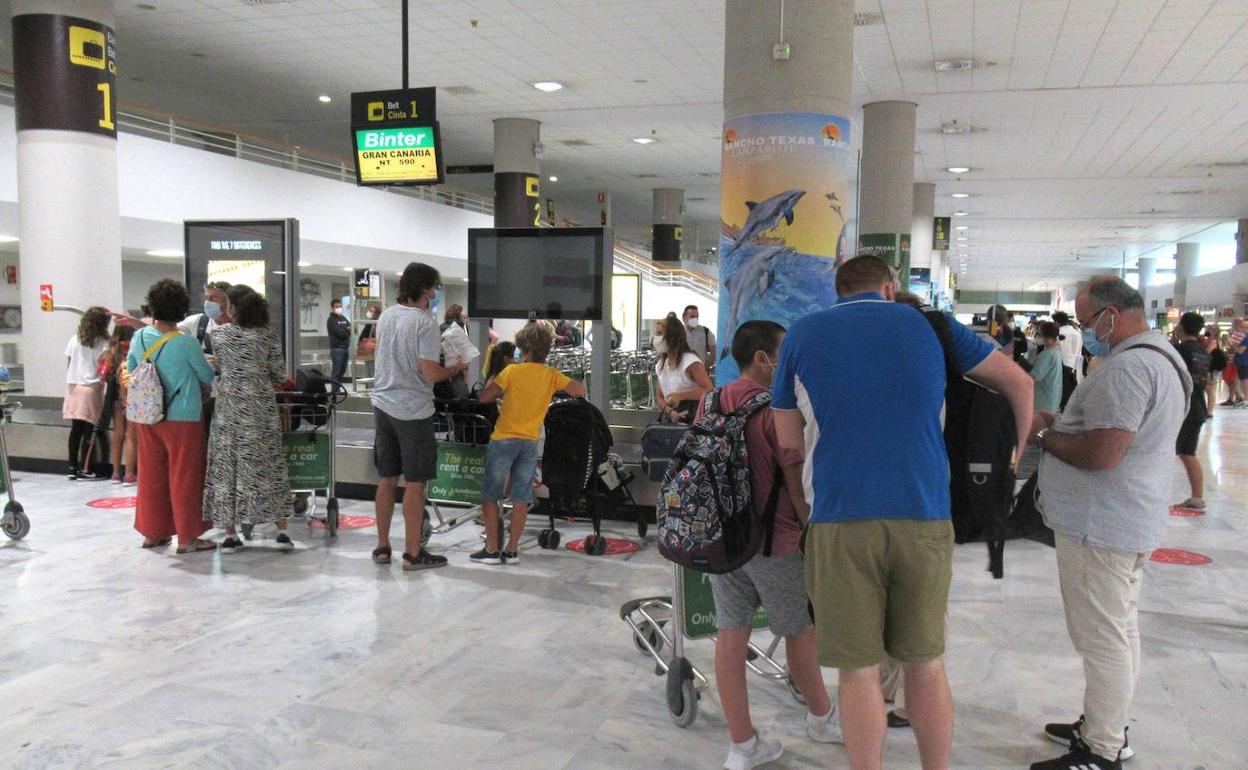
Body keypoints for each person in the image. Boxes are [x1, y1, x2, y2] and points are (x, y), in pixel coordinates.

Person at [772, 255, 1033, 770]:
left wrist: (805, 513)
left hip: (840, 519)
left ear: (838, 291)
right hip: (925, 515)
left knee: (858, 672)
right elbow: (1020, 385)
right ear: (890, 287)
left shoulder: (802, 335)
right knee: (926, 665)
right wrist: (1013, 461)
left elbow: (788, 446)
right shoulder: (931, 327)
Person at [1029, 276, 1190, 770]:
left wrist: (1044, 436)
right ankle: (1107, 727)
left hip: (1102, 524)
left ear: (1111, 316)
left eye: (1085, 321)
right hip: (1130, 517)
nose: (1083, 331)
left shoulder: (1128, 368)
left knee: (1102, 639)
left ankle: (1101, 749)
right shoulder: (1163, 357)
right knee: (1120, 631)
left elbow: (1103, 453)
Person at [703, 320, 843, 770]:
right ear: (764, 359)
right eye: (785, 353)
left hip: (725, 539)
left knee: (731, 633)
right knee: (799, 631)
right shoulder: (774, 408)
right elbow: (793, 470)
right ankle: (822, 718)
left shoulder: (712, 401)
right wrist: (809, 527)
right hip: (773, 540)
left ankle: (742, 745)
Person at [370, 263, 466, 571]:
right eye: (435, 286)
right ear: (425, 288)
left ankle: (382, 546)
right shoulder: (425, 323)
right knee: (415, 482)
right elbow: (430, 373)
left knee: (387, 478)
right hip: (413, 410)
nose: (436, 292)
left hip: (383, 405)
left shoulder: (387, 316)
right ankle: (413, 553)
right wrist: (456, 368)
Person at [472, 323, 585, 564]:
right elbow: (579, 390)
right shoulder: (551, 374)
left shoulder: (511, 372)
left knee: (490, 495)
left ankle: (491, 549)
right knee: (520, 497)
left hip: (504, 439)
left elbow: (485, 397)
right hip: (530, 442)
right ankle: (512, 549)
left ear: (524, 350)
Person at [204, 286, 296, 553]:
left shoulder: (219, 335)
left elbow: (223, 366)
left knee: (228, 468)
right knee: (269, 466)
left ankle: (231, 535)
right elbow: (279, 375)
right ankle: (281, 531)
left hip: (229, 411)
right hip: (260, 412)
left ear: (233, 308)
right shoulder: (268, 335)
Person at [128, 279, 217, 553]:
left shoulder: (139, 337)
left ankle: (153, 533)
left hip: (148, 414)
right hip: (184, 416)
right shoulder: (186, 343)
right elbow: (206, 375)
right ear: (181, 309)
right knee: (185, 476)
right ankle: (188, 538)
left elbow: (132, 367)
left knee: (151, 475)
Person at [63, 306, 112, 480]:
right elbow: (106, 369)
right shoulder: (104, 343)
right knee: (89, 431)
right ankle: (86, 467)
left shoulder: (74, 339)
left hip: (73, 387)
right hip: (91, 388)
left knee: (75, 430)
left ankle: (72, 467)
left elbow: (69, 362)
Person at [1171, 312, 1211, 511]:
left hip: (1184, 408)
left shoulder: (1180, 350)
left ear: (1182, 326)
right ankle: (1196, 497)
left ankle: (1196, 498)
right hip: (1198, 405)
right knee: (1187, 451)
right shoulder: (1202, 350)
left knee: (1185, 452)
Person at [654, 319, 712, 424]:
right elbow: (660, 397)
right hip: (673, 420)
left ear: (672, 337)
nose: (656, 339)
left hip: (694, 419)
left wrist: (681, 396)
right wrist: (670, 411)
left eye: (660, 334)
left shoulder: (690, 362)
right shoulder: (660, 366)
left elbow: (709, 390)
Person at [103, 325, 138, 485]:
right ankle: (129, 474)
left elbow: (104, 373)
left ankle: (116, 473)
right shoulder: (135, 348)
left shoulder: (111, 351)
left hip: (115, 397)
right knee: (131, 436)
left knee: (118, 435)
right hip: (132, 396)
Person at [178, 281, 232, 356]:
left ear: (228, 300)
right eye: (206, 297)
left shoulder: (239, 327)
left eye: (214, 297)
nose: (208, 302)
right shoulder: (196, 322)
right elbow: (168, 332)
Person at [1030, 321, 1064, 414]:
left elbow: (1034, 376)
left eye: (1039, 335)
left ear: (1047, 337)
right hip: (1051, 398)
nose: (1037, 337)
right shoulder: (1055, 350)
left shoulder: (1047, 355)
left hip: (1042, 401)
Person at [1053, 310, 1084, 403]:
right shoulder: (1077, 333)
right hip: (1075, 367)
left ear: (1057, 322)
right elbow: (1079, 352)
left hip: (1061, 366)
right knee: (1070, 393)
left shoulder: (1058, 333)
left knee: (1060, 393)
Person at [327, 299, 351, 385]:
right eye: (337, 307)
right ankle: (334, 390)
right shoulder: (331, 320)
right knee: (336, 371)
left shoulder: (343, 318)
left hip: (345, 348)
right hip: (337, 349)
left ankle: (338, 387)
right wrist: (347, 330)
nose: (339, 308)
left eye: (340, 306)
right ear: (332, 308)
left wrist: (346, 330)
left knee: (342, 370)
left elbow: (353, 329)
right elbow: (341, 334)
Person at [1228, 317, 1248, 406]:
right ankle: (1242, 398)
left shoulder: (1246, 339)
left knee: (1245, 380)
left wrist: (1233, 345)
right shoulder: (1243, 338)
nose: (1243, 330)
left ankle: (1246, 399)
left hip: (1244, 361)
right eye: (1243, 327)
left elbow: (1240, 351)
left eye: (1245, 328)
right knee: (1242, 380)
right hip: (1240, 361)